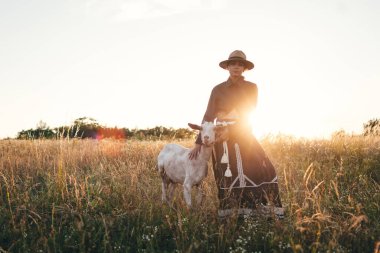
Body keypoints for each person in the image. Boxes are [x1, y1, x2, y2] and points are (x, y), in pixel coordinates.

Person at [188, 50, 284, 218]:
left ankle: (257, 210)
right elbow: (209, 115)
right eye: (233, 64)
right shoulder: (217, 89)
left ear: (244, 68)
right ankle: (233, 213)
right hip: (221, 137)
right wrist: (199, 141)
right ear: (227, 67)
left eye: (240, 64)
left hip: (244, 133)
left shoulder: (252, 87)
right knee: (228, 173)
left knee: (262, 169)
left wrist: (231, 121)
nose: (236, 67)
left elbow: (249, 110)